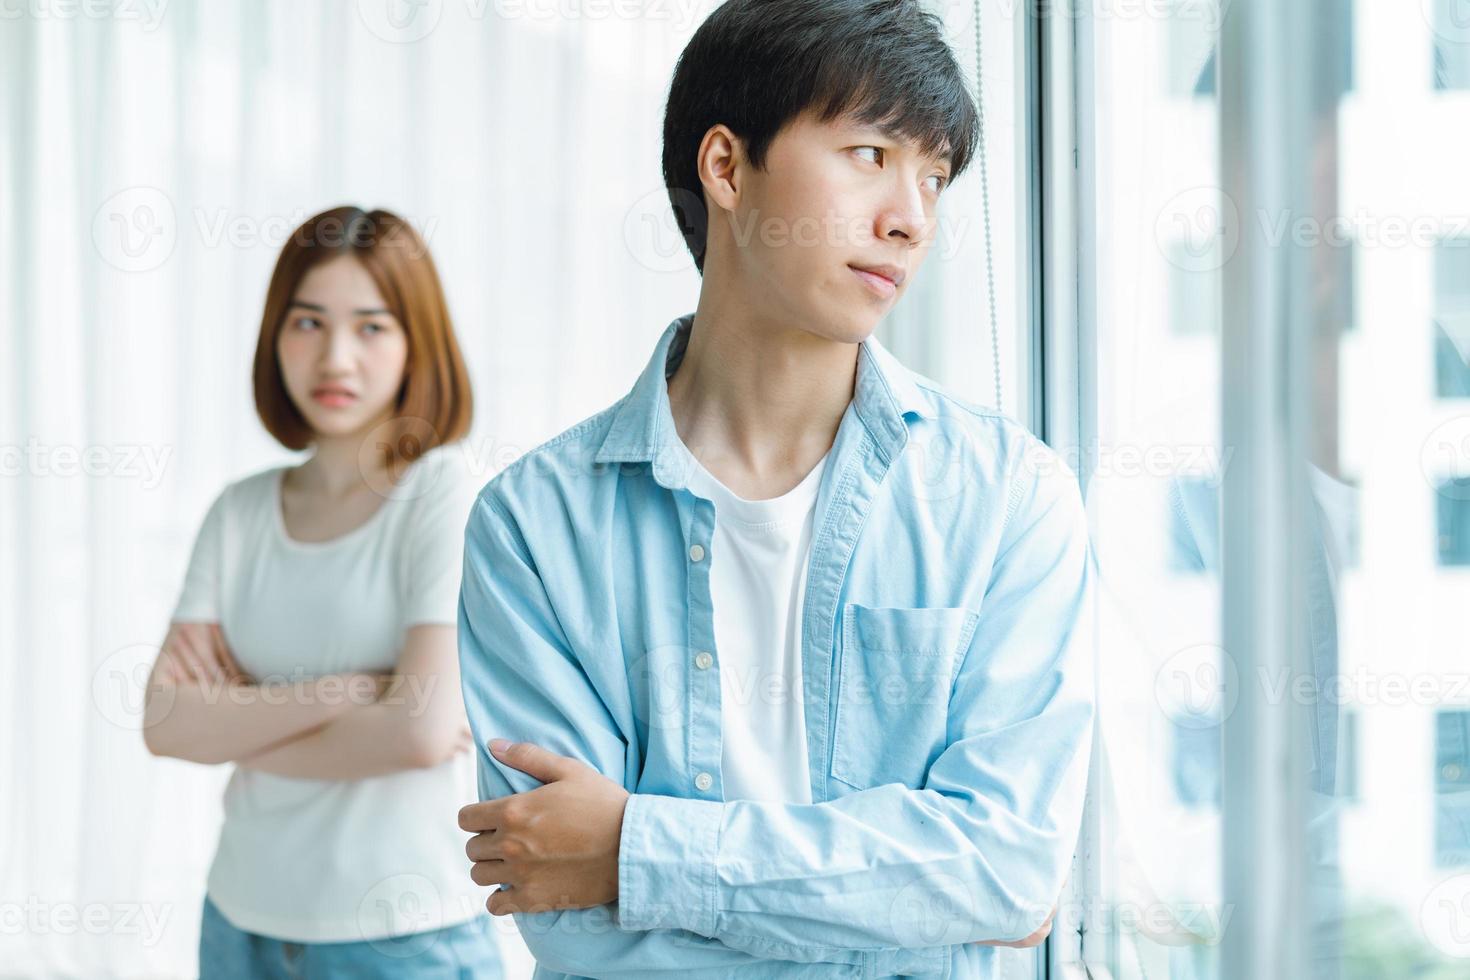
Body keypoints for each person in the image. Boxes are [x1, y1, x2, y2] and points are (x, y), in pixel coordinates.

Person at [456, 1, 1094, 976]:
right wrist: (896, 900)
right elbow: (571, 916)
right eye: (871, 153)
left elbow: (1006, 870)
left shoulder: (1010, 497)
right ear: (726, 167)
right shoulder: (534, 526)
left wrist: (633, 847)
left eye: (933, 176)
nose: (911, 218)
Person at [143, 206, 502, 978]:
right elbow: (166, 725)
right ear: (276, 335)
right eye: (308, 323)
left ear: (416, 345)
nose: (335, 357)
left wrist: (239, 724)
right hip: (239, 923)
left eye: (372, 327)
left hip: (403, 936)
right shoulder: (238, 513)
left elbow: (416, 732)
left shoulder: (440, 493)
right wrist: (346, 691)